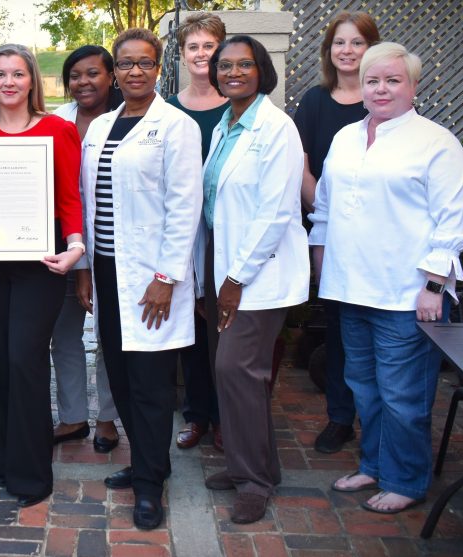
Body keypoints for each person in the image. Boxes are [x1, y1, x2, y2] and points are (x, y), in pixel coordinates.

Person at [309, 42, 463, 514]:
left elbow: (457, 220)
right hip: (349, 289)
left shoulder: (434, 142)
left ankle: (406, 480)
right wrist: (322, 263)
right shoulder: (346, 137)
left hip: (407, 294)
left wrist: (433, 286)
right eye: (372, 80)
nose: (381, 89)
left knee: (405, 396)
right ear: (359, 85)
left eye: (392, 80)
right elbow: (324, 207)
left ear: (413, 86)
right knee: (365, 387)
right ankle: (375, 466)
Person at [0, 44, 86, 508]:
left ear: (32, 81)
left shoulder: (57, 130)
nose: (9, 82)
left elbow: (69, 197)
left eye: (18, 74)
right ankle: (4, 461)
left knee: (24, 358)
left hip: (39, 259)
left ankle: (31, 474)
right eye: (1, 74)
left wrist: (76, 247)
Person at [78, 28, 202, 530]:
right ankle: (150, 461)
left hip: (152, 276)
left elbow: (185, 207)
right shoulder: (102, 126)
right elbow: (87, 205)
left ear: (158, 69)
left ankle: (150, 486)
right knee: (122, 379)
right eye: (125, 63)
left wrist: (167, 277)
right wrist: (84, 271)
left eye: (143, 63)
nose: (134, 72)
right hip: (107, 271)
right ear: (115, 70)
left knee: (150, 385)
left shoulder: (176, 127)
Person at [196, 35, 309, 524]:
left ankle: (254, 483)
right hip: (222, 265)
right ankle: (257, 466)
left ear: (262, 70)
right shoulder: (227, 125)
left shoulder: (276, 127)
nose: (233, 72)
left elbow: (277, 212)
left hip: (255, 274)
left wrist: (236, 278)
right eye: (225, 66)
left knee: (237, 371)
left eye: (244, 65)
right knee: (241, 375)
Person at [293, 11, 380, 455]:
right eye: (339, 43)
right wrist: (322, 209)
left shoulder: (383, 101)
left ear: (372, 48)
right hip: (326, 228)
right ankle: (340, 417)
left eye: (357, 42)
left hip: (377, 235)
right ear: (329, 52)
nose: (347, 51)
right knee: (339, 326)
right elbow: (303, 164)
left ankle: (380, 422)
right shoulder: (314, 100)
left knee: (374, 328)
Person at [51, 45, 121, 454]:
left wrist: (90, 266)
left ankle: (108, 419)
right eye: (75, 75)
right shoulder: (58, 120)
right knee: (64, 336)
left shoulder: (126, 120)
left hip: (112, 245)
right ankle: (73, 416)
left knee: (109, 336)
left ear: (110, 76)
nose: (83, 82)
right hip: (63, 246)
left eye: (92, 73)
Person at [165, 13, 228, 452]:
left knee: (226, 327)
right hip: (185, 233)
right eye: (194, 47)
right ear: (182, 55)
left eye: (209, 46)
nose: (202, 54)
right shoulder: (169, 108)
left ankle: (228, 417)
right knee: (192, 323)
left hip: (227, 232)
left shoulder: (239, 103)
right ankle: (198, 414)